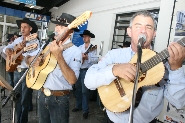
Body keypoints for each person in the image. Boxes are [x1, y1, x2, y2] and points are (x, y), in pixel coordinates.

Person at [84, 10, 185, 123]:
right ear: (129, 31)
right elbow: (88, 82)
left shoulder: (164, 64)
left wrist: (176, 68)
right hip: (112, 120)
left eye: (149, 27)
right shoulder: (114, 55)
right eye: (138, 26)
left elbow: (178, 103)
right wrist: (114, 70)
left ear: (154, 33)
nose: (143, 30)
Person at [26, 13, 82, 123]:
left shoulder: (75, 51)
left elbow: (72, 80)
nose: (56, 28)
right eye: (56, 25)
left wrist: (59, 56)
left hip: (59, 99)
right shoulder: (47, 45)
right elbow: (27, 59)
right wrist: (32, 60)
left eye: (61, 27)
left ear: (70, 32)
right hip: (41, 95)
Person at [3, 18, 40, 123]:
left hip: (26, 72)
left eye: (25, 27)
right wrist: (8, 50)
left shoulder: (35, 41)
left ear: (30, 29)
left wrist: (25, 55)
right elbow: (6, 48)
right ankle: (17, 119)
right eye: (21, 27)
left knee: (24, 100)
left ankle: (23, 121)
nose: (22, 29)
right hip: (16, 71)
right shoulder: (18, 40)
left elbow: (36, 57)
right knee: (17, 98)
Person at [72, 30, 98, 119]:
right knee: (77, 89)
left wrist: (87, 57)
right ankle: (78, 106)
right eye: (83, 37)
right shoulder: (79, 47)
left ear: (89, 37)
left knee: (84, 91)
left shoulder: (93, 48)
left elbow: (95, 60)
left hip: (86, 71)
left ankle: (85, 110)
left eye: (86, 36)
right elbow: (75, 58)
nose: (84, 38)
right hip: (79, 70)